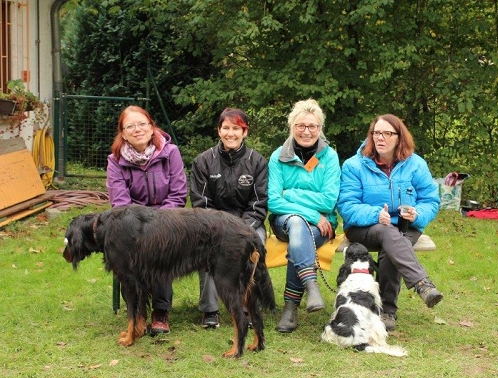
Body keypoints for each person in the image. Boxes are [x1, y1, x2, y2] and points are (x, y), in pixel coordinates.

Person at [337, 114, 443, 331]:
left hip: (405, 226)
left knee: (392, 245)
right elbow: (347, 205)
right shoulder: (354, 165)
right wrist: (375, 214)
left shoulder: (416, 164)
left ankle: (386, 312)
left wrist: (417, 214)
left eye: (387, 133)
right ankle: (421, 283)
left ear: (399, 137)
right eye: (376, 133)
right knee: (388, 233)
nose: (380, 138)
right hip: (365, 227)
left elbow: (430, 200)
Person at [106, 105, 188, 336]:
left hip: (166, 220)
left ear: (152, 128)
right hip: (132, 223)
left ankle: (160, 312)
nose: (137, 129)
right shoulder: (115, 160)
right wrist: (142, 226)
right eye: (130, 126)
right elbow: (120, 203)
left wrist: (156, 224)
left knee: (160, 248)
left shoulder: (171, 153)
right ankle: (137, 312)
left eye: (142, 124)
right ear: (123, 133)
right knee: (125, 255)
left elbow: (178, 194)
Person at [190, 108, 269, 329]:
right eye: (226, 128)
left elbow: (259, 203)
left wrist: (239, 230)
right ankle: (209, 310)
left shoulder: (257, 162)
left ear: (245, 132)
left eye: (236, 128)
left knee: (256, 245)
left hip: (248, 224)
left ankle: (247, 308)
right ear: (219, 131)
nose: (230, 133)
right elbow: (201, 203)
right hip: (212, 225)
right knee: (208, 247)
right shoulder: (203, 161)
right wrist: (221, 229)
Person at [268, 99, 341, 333]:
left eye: (312, 126)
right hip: (285, 220)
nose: (306, 131)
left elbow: (328, 201)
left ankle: (290, 307)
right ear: (292, 127)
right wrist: (311, 212)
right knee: (298, 223)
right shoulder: (278, 156)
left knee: (300, 237)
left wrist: (290, 194)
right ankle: (310, 285)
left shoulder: (329, 157)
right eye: (301, 125)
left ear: (320, 128)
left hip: (322, 226)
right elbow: (273, 201)